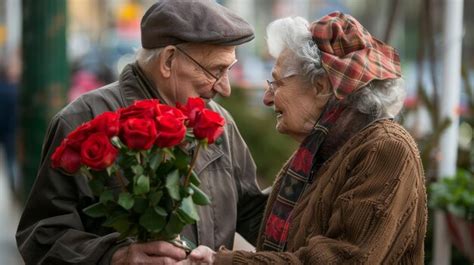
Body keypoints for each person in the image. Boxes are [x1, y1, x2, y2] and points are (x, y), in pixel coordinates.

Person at [16, 1, 268, 264]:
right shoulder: (81, 120)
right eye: (216, 71)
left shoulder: (217, 122)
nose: (225, 88)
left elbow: (252, 212)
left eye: (228, 69)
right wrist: (115, 257)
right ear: (169, 60)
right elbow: (41, 236)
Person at [186, 12, 428, 264]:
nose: (267, 98)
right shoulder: (323, 149)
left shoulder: (385, 148)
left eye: (277, 83)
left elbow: (344, 259)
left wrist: (222, 262)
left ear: (321, 87)